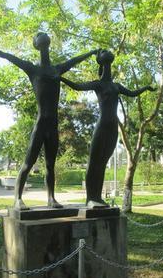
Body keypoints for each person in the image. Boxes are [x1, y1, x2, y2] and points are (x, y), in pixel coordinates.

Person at [0, 33, 99, 210]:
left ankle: (51, 198)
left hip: (53, 125)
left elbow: (75, 60)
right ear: (36, 45)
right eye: (38, 37)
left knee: (50, 165)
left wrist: (92, 52)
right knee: (28, 163)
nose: (42, 38)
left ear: (47, 43)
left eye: (43, 36)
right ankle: (17, 199)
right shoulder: (32, 69)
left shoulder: (58, 69)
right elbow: (6, 55)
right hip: (41, 124)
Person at [61, 49, 155, 208]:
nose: (106, 51)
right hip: (102, 126)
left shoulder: (116, 85)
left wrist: (146, 87)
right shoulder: (98, 84)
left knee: (103, 162)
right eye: (103, 52)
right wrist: (60, 78)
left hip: (113, 128)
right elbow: (77, 86)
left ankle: (97, 197)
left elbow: (132, 93)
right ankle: (90, 198)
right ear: (101, 61)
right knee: (94, 162)